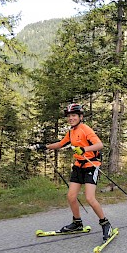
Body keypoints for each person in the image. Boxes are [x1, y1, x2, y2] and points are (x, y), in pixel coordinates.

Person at [32, 103, 113, 243]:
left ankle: (106, 224)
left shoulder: (85, 129)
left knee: (89, 198)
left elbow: (100, 145)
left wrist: (84, 149)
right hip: (78, 166)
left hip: (91, 165)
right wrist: (44, 146)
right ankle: (77, 223)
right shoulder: (71, 132)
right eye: (69, 116)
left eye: (74, 115)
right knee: (71, 196)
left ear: (80, 117)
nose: (71, 118)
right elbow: (60, 144)